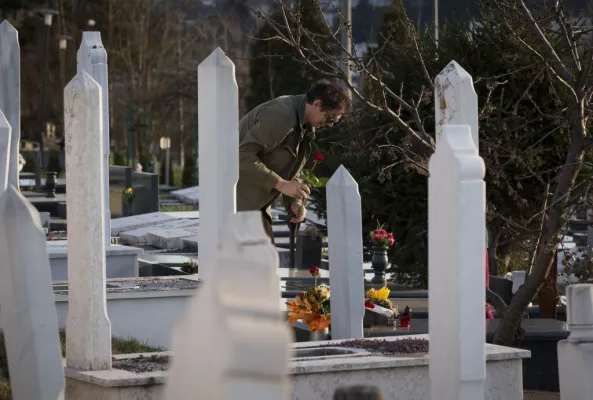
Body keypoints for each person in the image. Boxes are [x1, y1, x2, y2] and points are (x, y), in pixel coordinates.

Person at [237, 80, 350, 243]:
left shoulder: (305, 125)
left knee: (263, 263)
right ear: (317, 104)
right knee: (258, 264)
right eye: (331, 117)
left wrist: (294, 202)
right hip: (234, 202)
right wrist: (281, 184)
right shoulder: (281, 115)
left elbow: (292, 168)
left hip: (253, 202)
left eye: (335, 121)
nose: (331, 124)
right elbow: (242, 155)